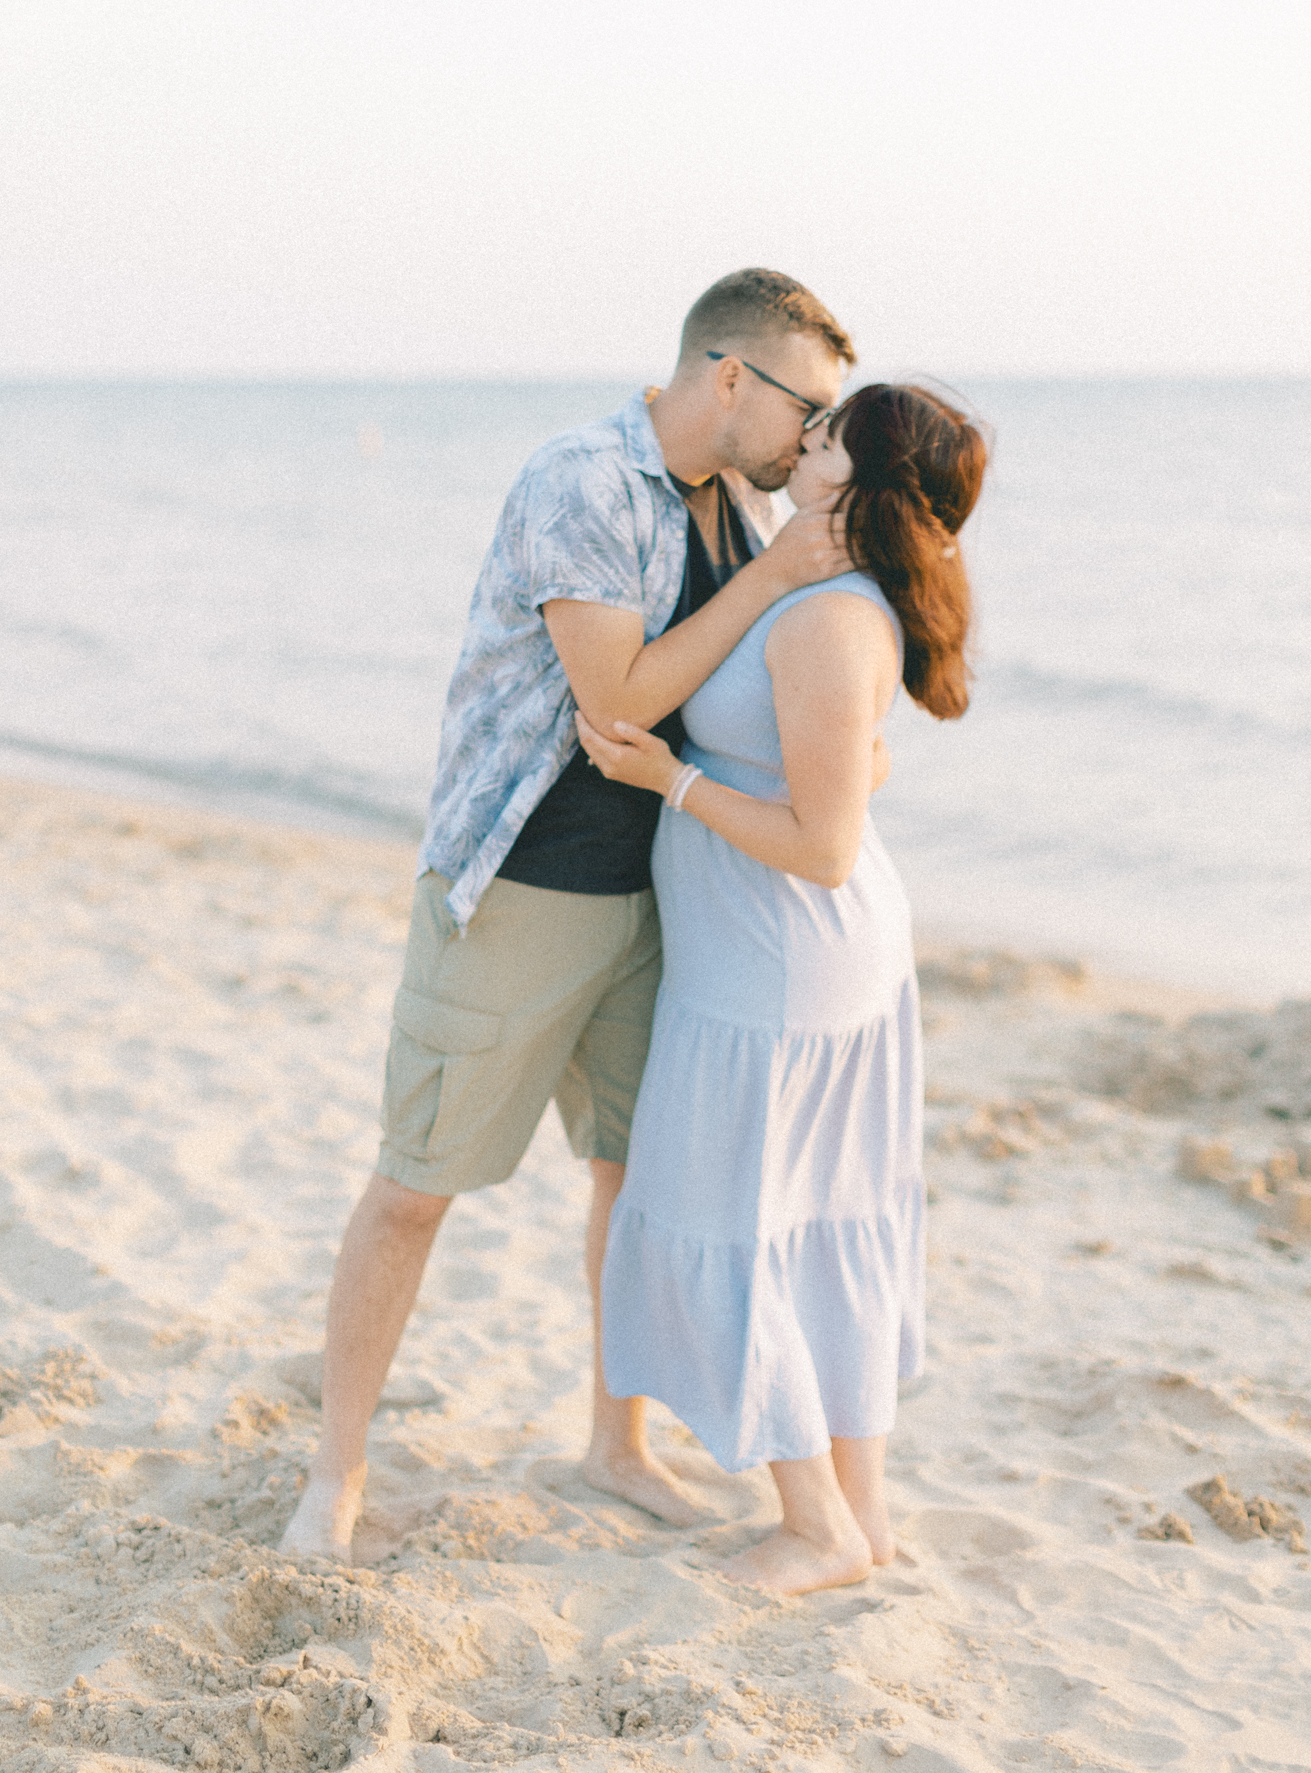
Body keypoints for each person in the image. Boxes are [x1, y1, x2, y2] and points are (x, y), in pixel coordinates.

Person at [281, 269, 868, 1563]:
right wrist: (775, 571)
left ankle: (617, 1444)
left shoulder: (742, 502)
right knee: (419, 1183)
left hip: (657, 901)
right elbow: (623, 701)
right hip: (519, 887)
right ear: (730, 376)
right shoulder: (583, 482)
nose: (815, 437)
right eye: (808, 408)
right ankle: (334, 1482)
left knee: (627, 1178)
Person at [579, 381, 988, 1596]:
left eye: (825, 436)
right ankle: (860, 1516)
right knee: (806, 1230)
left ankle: (816, 1523)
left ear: (852, 486)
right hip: (779, 956)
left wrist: (673, 782)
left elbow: (823, 845)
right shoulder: (818, 596)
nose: (800, 440)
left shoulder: (828, 621)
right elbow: (859, 763)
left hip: (781, 963)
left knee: (733, 1225)